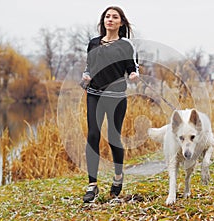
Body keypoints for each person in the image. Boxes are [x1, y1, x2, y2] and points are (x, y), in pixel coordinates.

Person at [80, 6, 139, 203]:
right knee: (93, 135)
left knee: (114, 137)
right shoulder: (93, 43)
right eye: (107, 16)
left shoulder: (126, 45)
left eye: (115, 17)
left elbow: (133, 67)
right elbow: (88, 68)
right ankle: (92, 185)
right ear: (103, 21)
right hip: (94, 94)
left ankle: (118, 177)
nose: (110, 19)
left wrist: (133, 74)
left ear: (121, 22)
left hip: (116, 96)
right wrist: (86, 77)